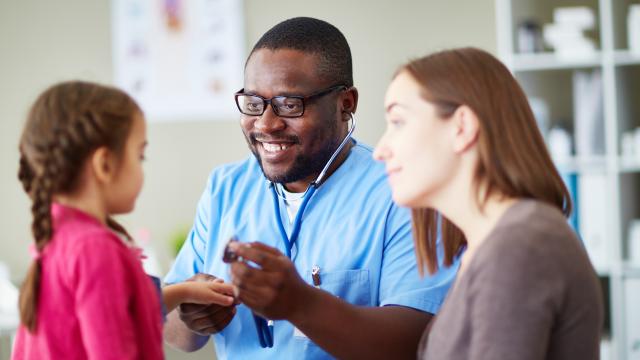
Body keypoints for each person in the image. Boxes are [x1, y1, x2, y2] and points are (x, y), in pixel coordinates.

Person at [163, 17, 458, 359]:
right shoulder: (225, 188)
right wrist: (193, 316)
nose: (266, 124)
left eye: (290, 105)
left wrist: (300, 304)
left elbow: (416, 341)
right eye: (254, 103)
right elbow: (175, 330)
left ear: (345, 104)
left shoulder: (403, 193)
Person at [373, 47, 603, 359]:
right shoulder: (492, 245)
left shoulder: (520, 245)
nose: (380, 149)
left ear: (462, 127)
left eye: (398, 122)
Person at [13, 81, 235, 359]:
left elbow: (120, 307)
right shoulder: (95, 250)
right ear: (104, 164)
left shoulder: (59, 235)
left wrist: (184, 292)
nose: (142, 168)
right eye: (140, 156)